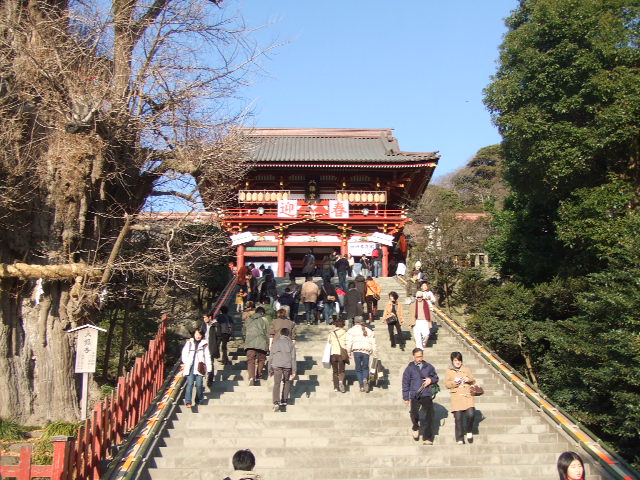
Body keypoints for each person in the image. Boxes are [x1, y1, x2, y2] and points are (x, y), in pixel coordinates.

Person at [402, 347, 439, 445]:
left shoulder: (429, 366)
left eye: (421, 356)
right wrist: (406, 397)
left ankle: (428, 437)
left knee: (429, 414)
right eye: (417, 357)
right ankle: (415, 426)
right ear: (413, 356)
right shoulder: (409, 368)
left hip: (426, 393)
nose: (420, 358)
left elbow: (435, 377)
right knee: (414, 413)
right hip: (415, 394)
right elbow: (405, 383)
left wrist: (430, 380)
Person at [445, 352, 476, 444]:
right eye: (455, 360)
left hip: (467, 395)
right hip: (456, 396)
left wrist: (468, 379)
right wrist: (455, 383)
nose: (457, 362)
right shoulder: (449, 371)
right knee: (458, 418)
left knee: (471, 414)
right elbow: (447, 384)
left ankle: (469, 430)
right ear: (452, 361)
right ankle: (459, 438)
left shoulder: (466, 369)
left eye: (459, 360)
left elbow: (473, 380)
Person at [181, 329, 212, 408]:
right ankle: (188, 401)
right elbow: (184, 353)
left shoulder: (204, 344)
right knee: (190, 383)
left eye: (200, 335)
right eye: (197, 334)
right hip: (190, 366)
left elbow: (207, 356)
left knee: (199, 384)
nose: (198, 336)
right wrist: (186, 362)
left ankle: (199, 399)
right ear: (193, 335)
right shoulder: (189, 343)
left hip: (200, 367)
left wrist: (209, 368)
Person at [268, 327, 297, 411]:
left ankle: (276, 402)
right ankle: (284, 400)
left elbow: (271, 357)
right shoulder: (291, 344)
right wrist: (294, 371)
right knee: (287, 382)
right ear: (288, 334)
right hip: (287, 366)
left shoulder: (275, 343)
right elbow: (293, 358)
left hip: (276, 365)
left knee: (276, 383)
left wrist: (270, 369)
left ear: (280, 334)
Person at [345, 316, 377, 392]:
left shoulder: (351, 330)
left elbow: (349, 342)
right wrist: (375, 352)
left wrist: (348, 352)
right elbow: (373, 343)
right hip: (366, 351)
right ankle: (365, 379)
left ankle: (361, 386)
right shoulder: (369, 330)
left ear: (355, 322)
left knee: (358, 369)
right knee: (365, 368)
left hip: (356, 351)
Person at [243, 306, 269, 386]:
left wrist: (246, 340)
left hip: (249, 342)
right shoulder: (264, 320)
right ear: (262, 313)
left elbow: (244, 331)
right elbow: (267, 332)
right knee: (261, 359)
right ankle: (258, 375)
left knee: (251, 360)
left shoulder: (248, 320)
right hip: (262, 341)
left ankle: (251, 377)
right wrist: (268, 344)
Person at [327, 318, 348, 392]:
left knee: (334, 371)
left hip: (333, 354)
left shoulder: (331, 333)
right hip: (341, 354)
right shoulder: (345, 332)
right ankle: (341, 381)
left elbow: (328, 342)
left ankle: (336, 387)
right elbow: (347, 343)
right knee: (341, 371)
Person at [198, 314, 219, 387]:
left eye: (205, 317)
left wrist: (216, 345)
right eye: (203, 318)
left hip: (211, 346)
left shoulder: (215, 325)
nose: (204, 319)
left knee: (210, 362)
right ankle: (202, 377)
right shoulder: (203, 324)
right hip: (203, 346)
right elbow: (201, 333)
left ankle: (210, 379)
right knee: (202, 361)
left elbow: (219, 336)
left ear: (210, 317)